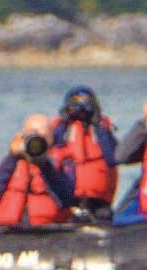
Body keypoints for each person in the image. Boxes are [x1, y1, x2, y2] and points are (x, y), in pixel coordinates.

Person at [0, 113, 76, 227]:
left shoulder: (61, 161)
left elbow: (67, 199)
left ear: (51, 136)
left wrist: (45, 166)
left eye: (43, 134)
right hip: (11, 228)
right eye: (32, 133)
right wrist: (12, 157)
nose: (37, 140)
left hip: (47, 228)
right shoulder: (12, 162)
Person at [50, 84, 118, 217]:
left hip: (99, 201)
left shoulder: (101, 129)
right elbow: (52, 154)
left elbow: (112, 157)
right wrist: (63, 122)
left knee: (104, 215)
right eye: (75, 104)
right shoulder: (62, 130)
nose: (81, 109)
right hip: (70, 200)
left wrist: (99, 124)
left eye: (86, 103)